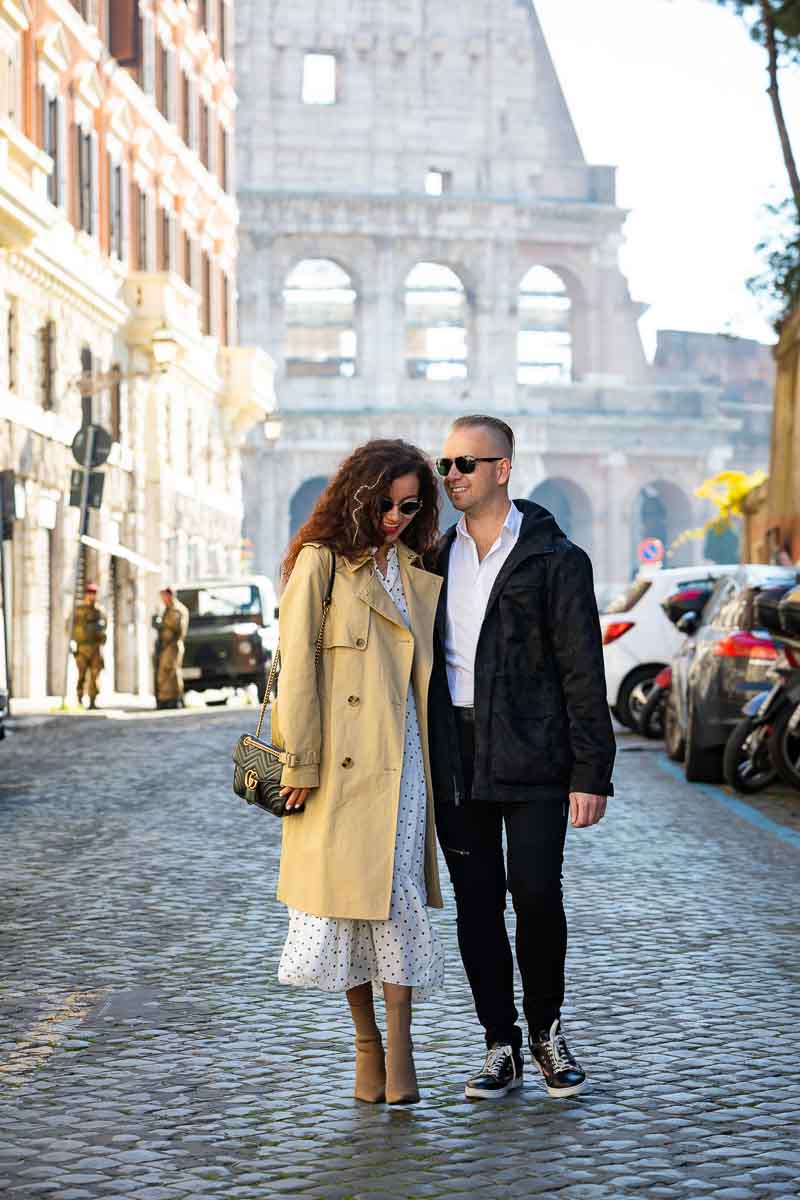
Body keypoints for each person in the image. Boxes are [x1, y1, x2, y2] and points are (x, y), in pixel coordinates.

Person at [428, 415, 616, 1101]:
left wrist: (590, 771)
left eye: (466, 464)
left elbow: (582, 671)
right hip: (456, 754)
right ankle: (498, 1043)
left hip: (535, 752)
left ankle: (546, 1031)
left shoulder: (555, 558)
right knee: (476, 905)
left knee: (535, 895)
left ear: (502, 469)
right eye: (446, 463)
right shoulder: (430, 559)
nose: (453, 475)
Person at [272, 439, 444, 1105]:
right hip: (340, 768)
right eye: (386, 503)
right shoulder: (320, 562)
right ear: (357, 494)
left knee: (393, 900)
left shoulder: (415, 567)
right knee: (348, 909)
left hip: (406, 764)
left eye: (410, 505)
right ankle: (365, 1046)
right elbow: (297, 672)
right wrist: (303, 761)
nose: (397, 516)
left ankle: (399, 1048)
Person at [153, 587, 190, 709]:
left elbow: (176, 630)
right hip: (166, 645)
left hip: (172, 645)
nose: (162, 599)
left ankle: (173, 700)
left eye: (164, 596)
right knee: (165, 673)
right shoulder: (167, 609)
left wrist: (161, 625)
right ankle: (166, 699)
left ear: (170, 596)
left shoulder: (176, 610)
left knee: (171, 672)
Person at [72, 583, 107, 709]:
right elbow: (70, 627)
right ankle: (80, 699)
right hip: (81, 647)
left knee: (95, 674)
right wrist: (73, 643)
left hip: (95, 648)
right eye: (90, 593)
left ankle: (93, 700)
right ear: (86, 594)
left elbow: (104, 627)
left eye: (94, 594)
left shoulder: (100, 611)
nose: (92, 596)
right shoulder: (78, 610)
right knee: (81, 674)